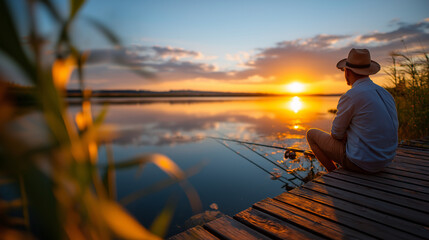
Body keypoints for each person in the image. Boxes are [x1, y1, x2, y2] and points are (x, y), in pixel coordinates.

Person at [306, 48, 398, 173]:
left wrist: (345, 135)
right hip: (386, 161)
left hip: (363, 164)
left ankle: (334, 173)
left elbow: (336, 134)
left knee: (311, 134)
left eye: (344, 70)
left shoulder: (351, 95)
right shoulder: (385, 93)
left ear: (347, 72)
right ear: (368, 71)